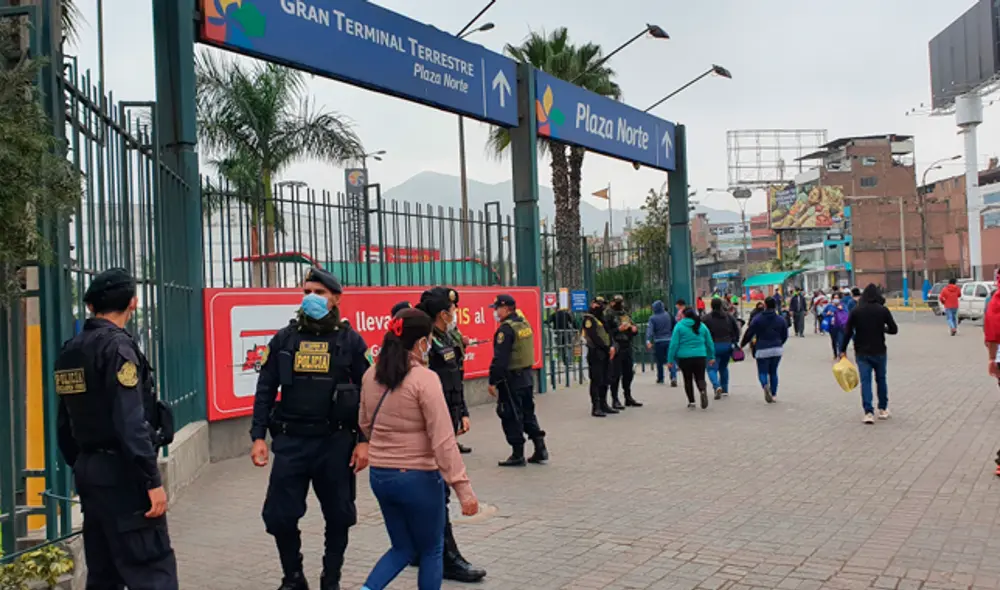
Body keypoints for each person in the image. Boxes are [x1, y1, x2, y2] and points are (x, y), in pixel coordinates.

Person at [54, 268, 177, 590]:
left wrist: (86, 464)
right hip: (123, 473)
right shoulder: (118, 349)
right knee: (151, 570)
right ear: (133, 302)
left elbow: (64, 422)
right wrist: (151, 480)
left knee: (104, 574)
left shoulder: (70, 351)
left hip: (89, 471)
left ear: (91, 305)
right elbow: (130, 422)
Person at [250, 267, 370, 590]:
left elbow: (369, 393)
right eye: (306, 292)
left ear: (335, 298)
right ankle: (293, 577)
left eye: (319, 293)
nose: (311, 298)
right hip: (292, 441)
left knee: (339, 516)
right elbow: (265, 388)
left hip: (335, 443)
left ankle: (331, 579)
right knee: (279, 516)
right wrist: (258, 436)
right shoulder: (285, 338)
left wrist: (364, 440)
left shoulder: (350, 341)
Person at [358, 308, 479, 590]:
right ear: (421, 342)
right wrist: (463, 489)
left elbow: (364, 423)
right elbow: (443, 439)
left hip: (381, 475)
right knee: (431, 549)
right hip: (418, 478)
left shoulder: (370, 375)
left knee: (401, 548)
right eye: (428, 340)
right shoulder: (424, 379)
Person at [488, 294, 547, 467]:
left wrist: (492, 381)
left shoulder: (506, 330)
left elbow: (500, 359)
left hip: (511, 379)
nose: (496, 312)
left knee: (510, 414)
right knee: (528, 412)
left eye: (497, 308)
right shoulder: (523, 323)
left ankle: (517, 454)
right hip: (527, 376)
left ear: (506, 309)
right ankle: (540, 447)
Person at [839, 284, 899, 424]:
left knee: (866, 382)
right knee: (881, 379)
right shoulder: (882, 310)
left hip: (862, 352)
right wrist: (883, 329)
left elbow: (848, 331)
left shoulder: (856, 311)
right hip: (879, 350)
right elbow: (894, 329)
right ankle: (883, 409)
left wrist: (842, 350)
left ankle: (868, 412)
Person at [740, 296, 788, 404]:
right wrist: (780, 343)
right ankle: (774, 394)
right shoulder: (780, 319)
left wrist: (742, 344)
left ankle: (765, 385)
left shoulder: (758, 319)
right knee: (773, 372)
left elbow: (749, 333)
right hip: (776, 349)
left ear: (765, 305)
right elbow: (785, 334)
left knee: (762, 371)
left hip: (762, 349)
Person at [667, 308, 715, 410]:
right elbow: (709, 342)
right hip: (700, 355)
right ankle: (702, 390)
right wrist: (711, 356)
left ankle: (692, 401)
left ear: (684, 315)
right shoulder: (701, 326)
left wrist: (670, 360)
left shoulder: (679, 326)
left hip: (684, 357)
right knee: (700, 377)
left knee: (687, 379)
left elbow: (674, 344)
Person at [604, 294, 643, 409]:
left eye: (620, 302)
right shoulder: (608, 315)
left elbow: (633, 325)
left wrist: (634, 329)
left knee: (628, 373)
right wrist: (618, 329)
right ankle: (615, 399)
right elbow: (606, 332)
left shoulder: (624, 314)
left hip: (627, 345)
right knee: (615, 374)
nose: (619, 304)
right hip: (616, 346)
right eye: (617, 302)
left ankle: (628, 396)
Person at [581, 297, 617, 417]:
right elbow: (594, 337)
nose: (600, 307)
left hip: (606, 352)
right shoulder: (589, 319)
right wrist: (607, 348)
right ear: (593, 304)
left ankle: (604, 404)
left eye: (602, 305)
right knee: (596, 380)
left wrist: (612, 346)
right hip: (595, 353)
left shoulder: (602, 318)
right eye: (598, 304)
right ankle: (596, 407)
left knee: (606, 379)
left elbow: (608, 333)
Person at [703, 298, 741, 399]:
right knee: (723, 367)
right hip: (727, 345)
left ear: (711, 306)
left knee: (711, 368)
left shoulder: (706, 318)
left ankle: (716, 386)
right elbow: (736, 330)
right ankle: (725, 389)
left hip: (712, 346)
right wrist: (735, 341)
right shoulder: (728, 317)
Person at [645, 300, 675, 385]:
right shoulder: (668, 315)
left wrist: (648, 340)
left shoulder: (652, 318)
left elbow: (650, 330)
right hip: (669, 340)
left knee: (659, 361)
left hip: (658, 341)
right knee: (670, 359)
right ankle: (673, 376)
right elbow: (675, 325)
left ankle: (660, 378)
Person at [823, 293, 850, 361]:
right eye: (834, 298)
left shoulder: (843, 305)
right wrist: (827, 313)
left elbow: (847, 314)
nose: (836, 299)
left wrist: (842, 309)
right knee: (834, 341)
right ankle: (835, 354)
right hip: (832, 326)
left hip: (840, 326)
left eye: (837, 298)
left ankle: (841, 354)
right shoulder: (829, 306)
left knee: (841, 340)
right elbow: (823, 313)